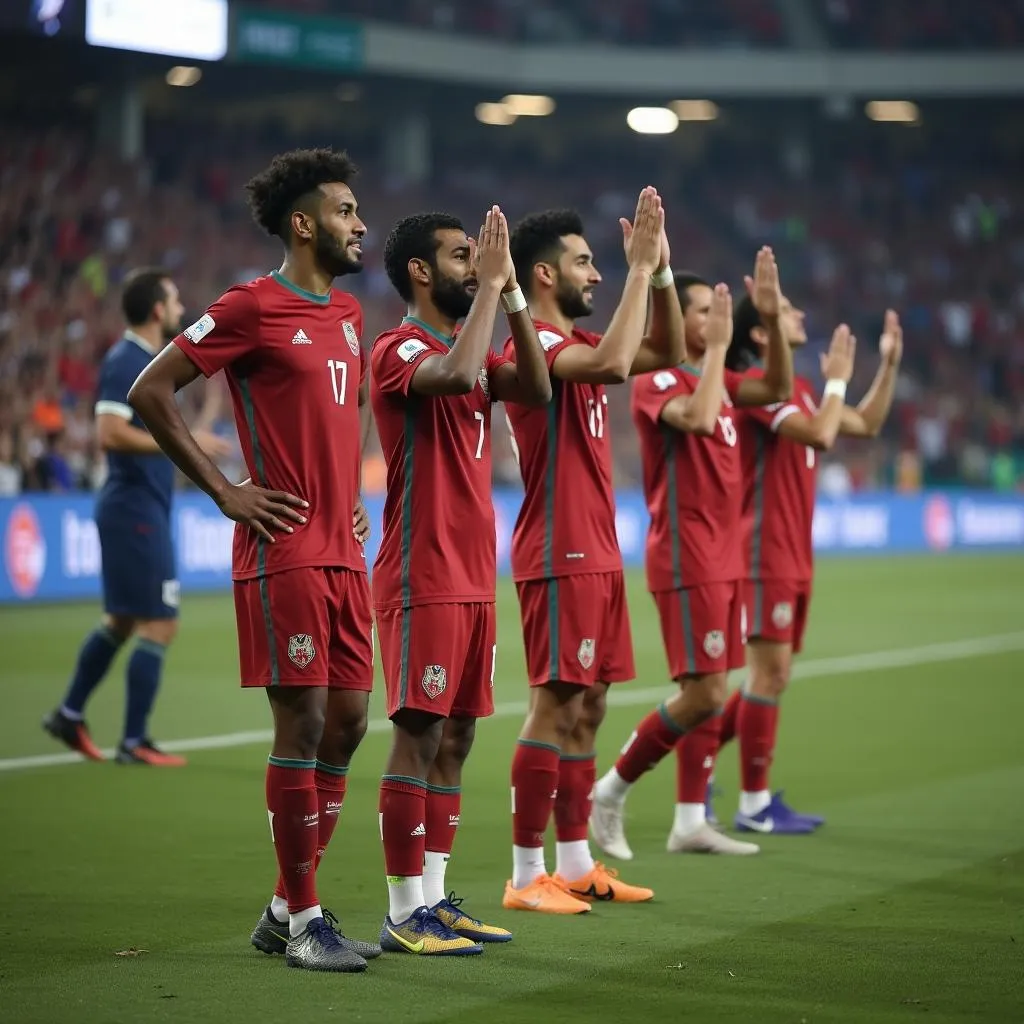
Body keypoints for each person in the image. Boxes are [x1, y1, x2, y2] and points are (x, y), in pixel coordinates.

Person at [128, 148, 380, 973]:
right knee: (302, 725)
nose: (360, 223)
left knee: (347, 725)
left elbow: (347, 412)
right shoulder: (252, 305)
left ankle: (282, 907)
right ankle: (306, 916)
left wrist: (349, 489)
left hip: (344, 552)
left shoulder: (345, 314)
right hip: (284, 552)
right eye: (346, 211)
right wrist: (223, 490)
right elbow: (151, 392)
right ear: (304, 223)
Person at [372, 208, 551, 954]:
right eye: (460, 256)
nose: (474, 264)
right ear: (421, 270)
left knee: (458, 736)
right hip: (422, 572)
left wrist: (510, 296)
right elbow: (449, 378)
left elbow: (537, 389)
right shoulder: (397, 347)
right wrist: (490, 294)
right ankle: (402, 908)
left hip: (474, 575)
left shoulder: (473, 334)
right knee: (418, 732)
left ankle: (437, 898)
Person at [500, 190, 683, 914]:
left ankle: (575, 863)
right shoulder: (537, 346)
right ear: (544, 276)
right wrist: (640, 271)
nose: (598, 274)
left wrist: (661, 273)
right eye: (585, 262)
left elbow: (665, 350)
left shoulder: (574, 346)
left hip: (598, 546)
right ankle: (523, 875)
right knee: (554, 704)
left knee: (593, 704)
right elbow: (615, 362)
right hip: (559, 546)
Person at [590, 249, 794, 859]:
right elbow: (702, 418)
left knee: (716, 687)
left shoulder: (722, 381)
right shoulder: (660, 381)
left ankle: (689, 820)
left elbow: (778, 385)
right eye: (705, 311)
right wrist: (712, 353)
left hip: (725, 557)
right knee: (704, 693)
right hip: (687, 556)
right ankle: (612, 788)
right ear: (681, 319)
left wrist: (773, 321)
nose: (716, 318)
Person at [708, 301, 902, 833]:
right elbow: (819, 434)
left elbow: (865, 421)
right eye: (788, 312)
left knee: (771, 675)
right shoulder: (757, 386)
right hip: (762, 550)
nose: (798, 317)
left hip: (794, 553)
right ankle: (753, 806)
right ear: (760, 332)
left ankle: (698, 766)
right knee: (769, 673)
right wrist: (837, 381)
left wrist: (887, 365)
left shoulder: (802, 391)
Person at [43, 268, 229, 766]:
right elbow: (108, 434)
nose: (179, 309)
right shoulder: (126, 360)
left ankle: (69, 712)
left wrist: (195, 431)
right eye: (172, 301)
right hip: (133, 510)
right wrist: (181, 443)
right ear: (155, 311)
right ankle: (134, 740)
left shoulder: (147, 362)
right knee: (160, 622)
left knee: (123, 620)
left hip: (141, 507)